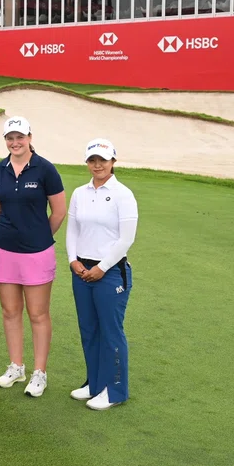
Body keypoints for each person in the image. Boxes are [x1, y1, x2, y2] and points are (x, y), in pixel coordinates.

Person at [0, 116, 66, 398]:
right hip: (5, 249)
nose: (15, 142)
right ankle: (16, 367)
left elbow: (58, 211)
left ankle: (39, 373)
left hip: (37, 252)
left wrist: (39, 235)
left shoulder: (45, 169)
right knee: (10, 311)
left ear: (30, 137)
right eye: (10, 138)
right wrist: (15, 231)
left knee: (38, 313)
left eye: (20, 137)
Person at [66, 138, 138, 410]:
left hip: (110, 272)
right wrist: (72, 260)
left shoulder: (123, 194)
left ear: (113, 162)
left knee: (111, 332)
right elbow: (73, 230)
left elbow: (125, 239)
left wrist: (101, 268)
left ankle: (115, 390)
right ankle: (95, 384)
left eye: (103, 160)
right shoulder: (79, 193)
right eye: (92, 160)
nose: (97, 165)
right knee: (89, 329)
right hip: (81, 269)